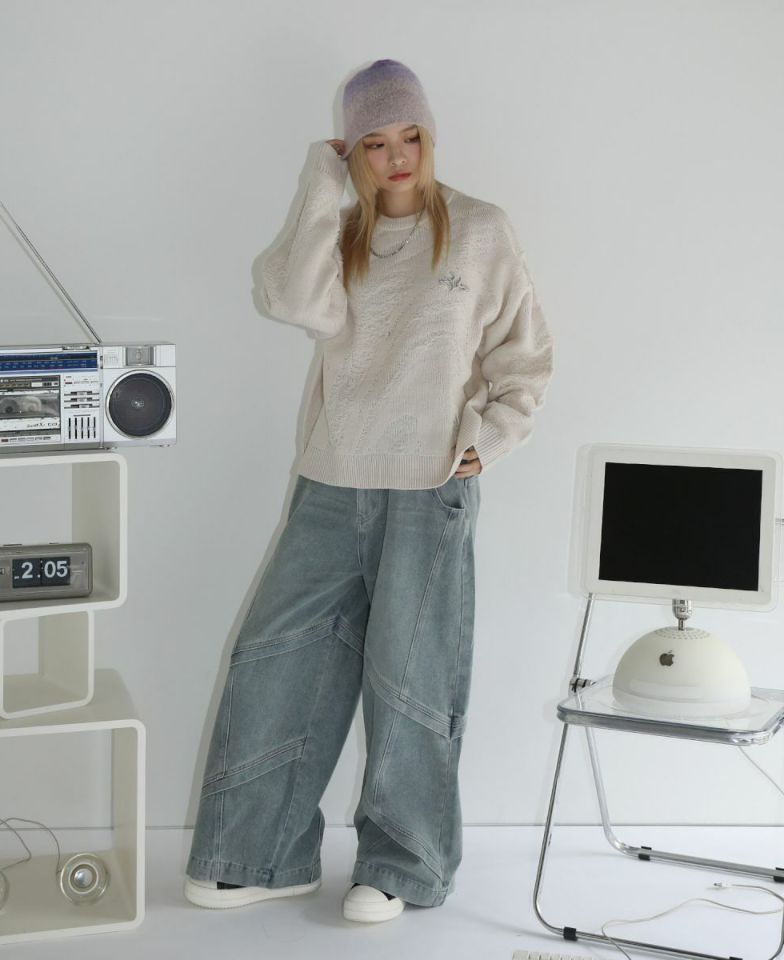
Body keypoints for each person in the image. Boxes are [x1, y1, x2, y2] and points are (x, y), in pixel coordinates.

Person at [183, 58, 554, 924]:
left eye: (410, 136)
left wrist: (488, 439)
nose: (397, 157)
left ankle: (403, 864)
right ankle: (259, 854)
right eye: (375, 142)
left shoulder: (480, 229)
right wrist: (322, 180)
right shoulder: (341, 232)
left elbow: (524, 357)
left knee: (410, 679)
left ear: (430, 137)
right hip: (330, 481)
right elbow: (288, 298)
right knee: (276, 658)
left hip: (428, 485)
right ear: (353, 150)